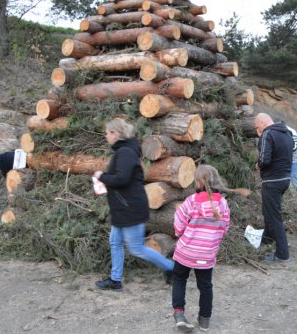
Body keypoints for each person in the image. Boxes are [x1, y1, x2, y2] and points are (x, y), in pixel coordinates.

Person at [94, 118, 174, 291]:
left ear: (115, 134)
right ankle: (115, 280)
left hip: (130, 208)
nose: (106, 136)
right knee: (115, 242)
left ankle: (171, 268)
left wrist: (102, 177)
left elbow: (122, 179)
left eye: (108, 133)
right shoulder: (124, 151)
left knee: (137, 249)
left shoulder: (126, 153)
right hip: (122, 209)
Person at [171, 165, 231, 332]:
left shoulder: (191, 201)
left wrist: (179, 233)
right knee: (205, 286)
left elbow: (179, 225)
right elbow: (224, 228)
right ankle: (204, 319)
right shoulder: (224, 204)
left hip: (186, 251)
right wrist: (212, 243)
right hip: (206, 253)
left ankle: (179, 314)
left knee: (179, 279)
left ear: (197, 183)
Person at [254, 113, 293, 262]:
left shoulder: (267, 134)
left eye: (257, 126)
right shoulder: (287, 133)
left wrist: (258, 165)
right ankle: (267, 238)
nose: (258, 130)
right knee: (269, 211)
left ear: (263, 123)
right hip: (285, 179)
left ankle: (282, 254)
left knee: (274, 216)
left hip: (273, 181)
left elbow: (264, 159)